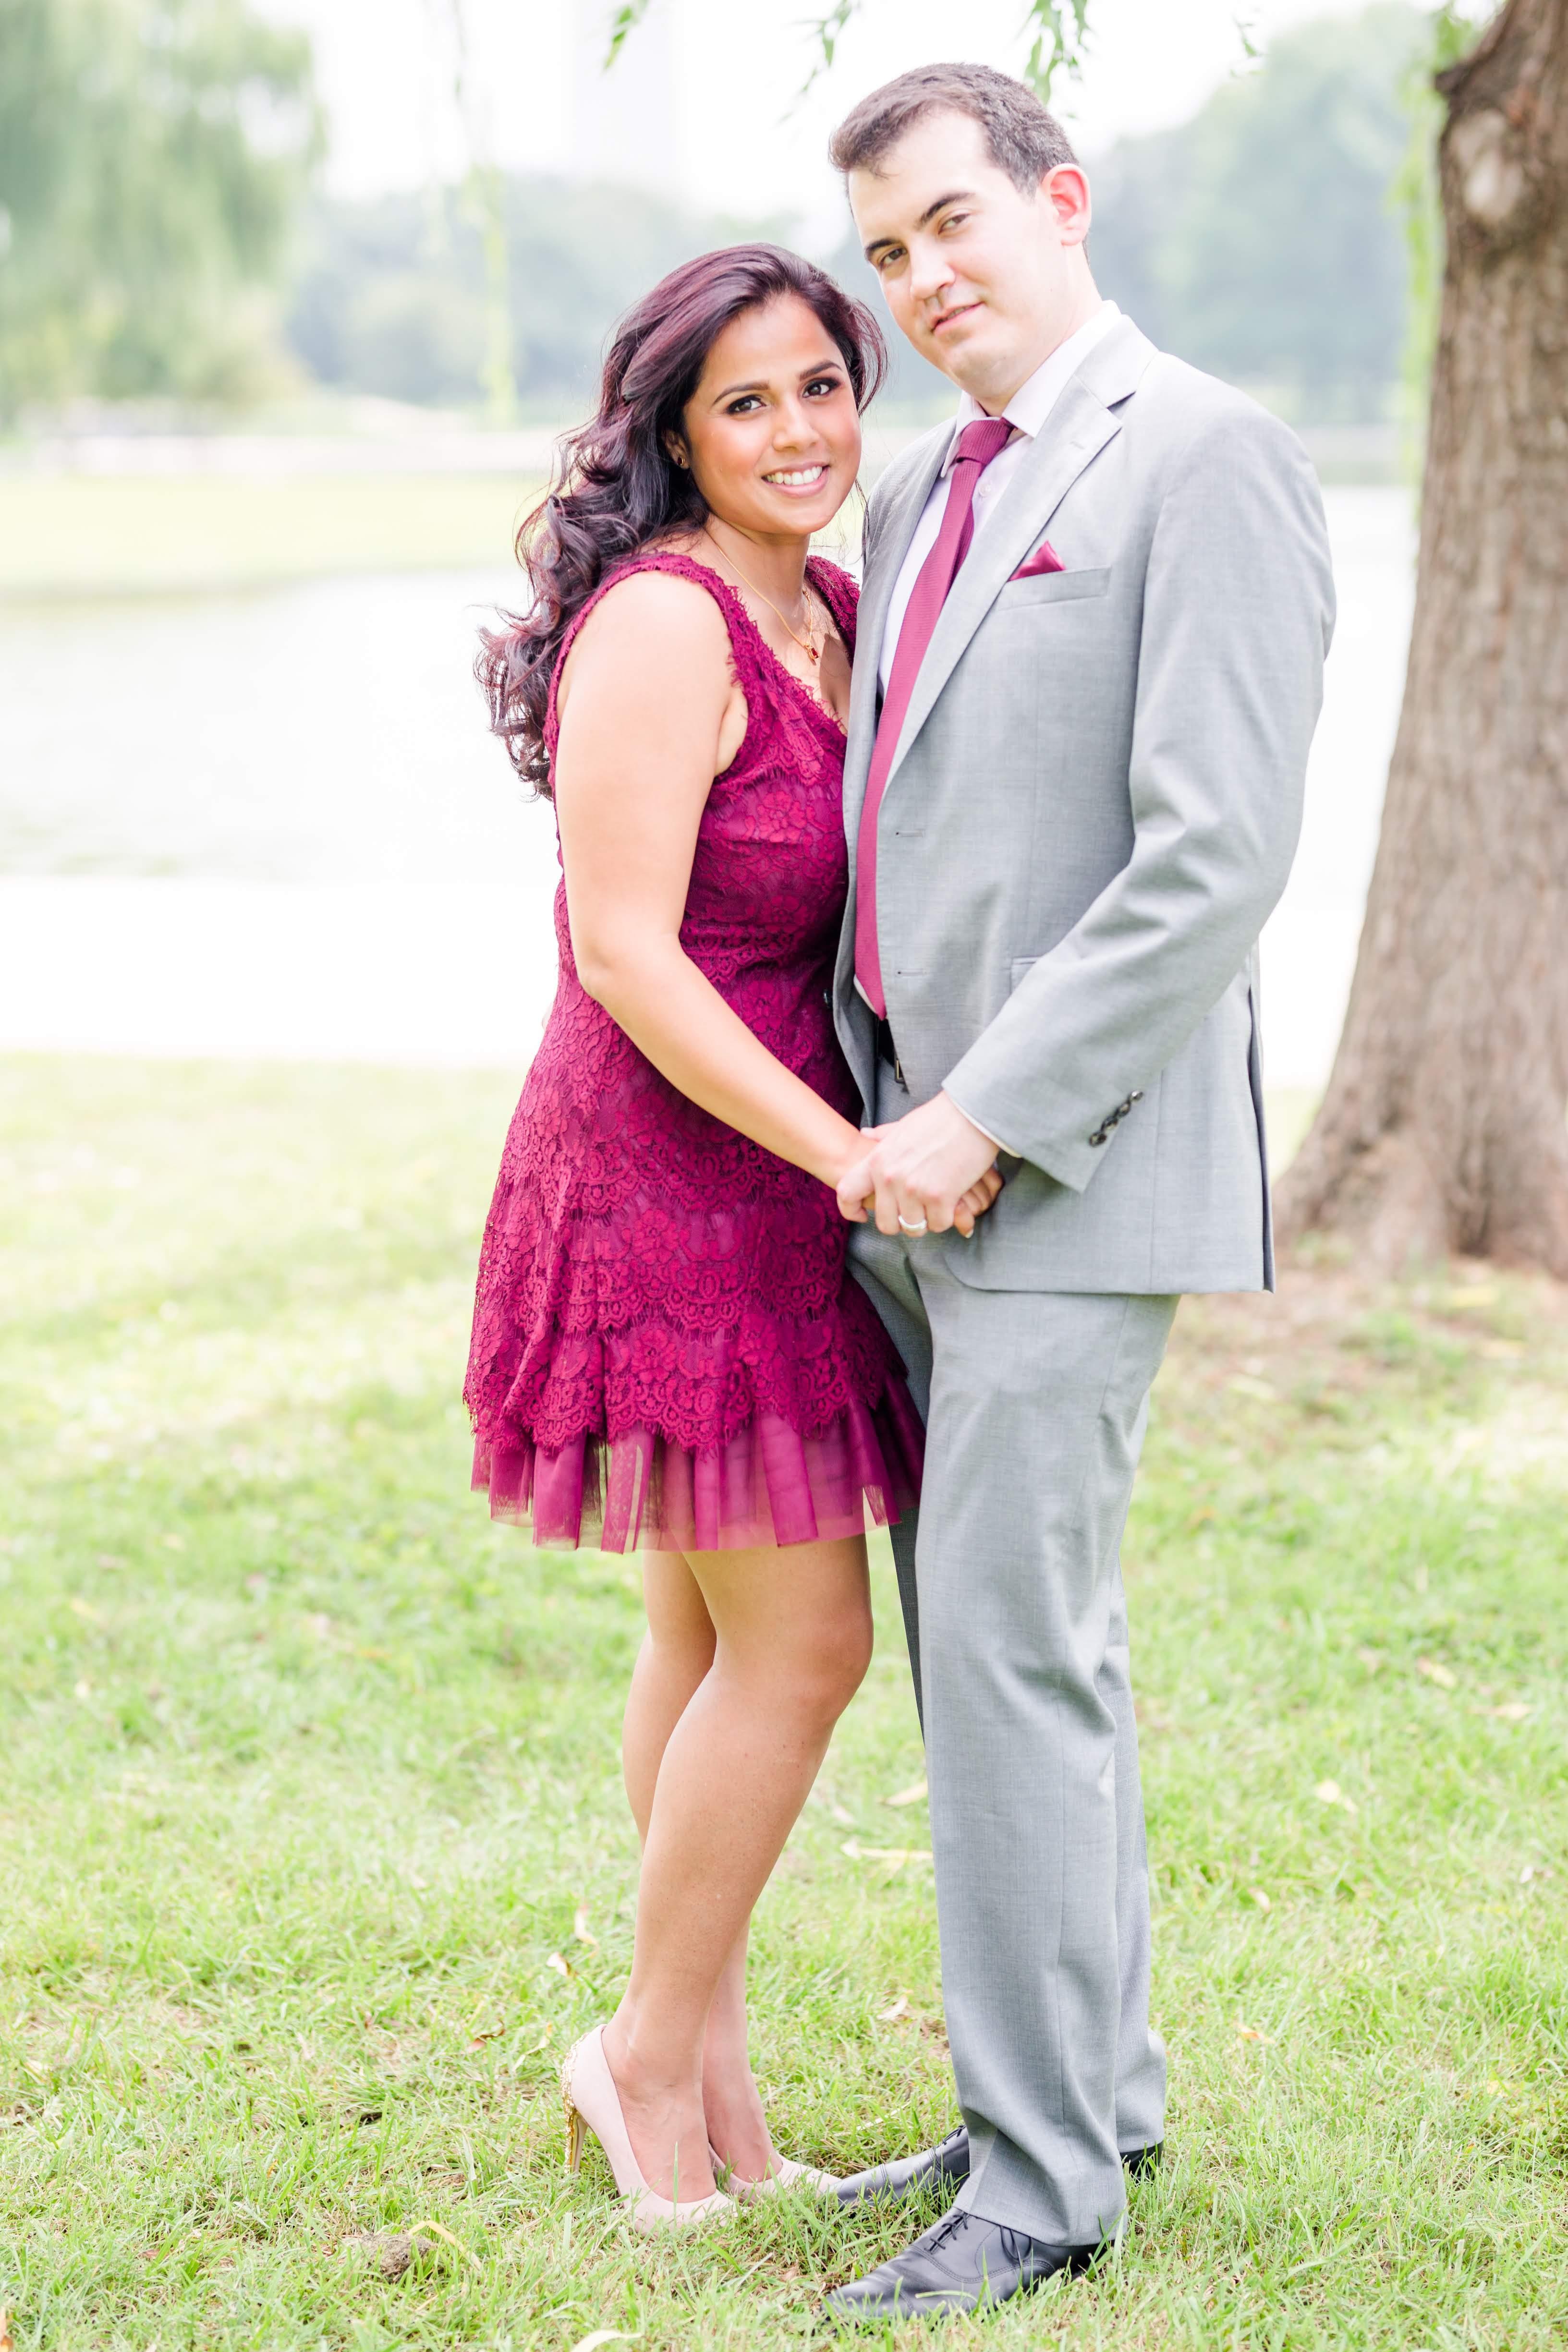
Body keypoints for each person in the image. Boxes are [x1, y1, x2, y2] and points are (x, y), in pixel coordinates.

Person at [816, 65, 1336, 2322]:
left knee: (1012, 1656)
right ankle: (1079, 2094)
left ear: (1059, 199)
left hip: (1059, 1162)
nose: (923, 279)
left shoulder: (1202, 453)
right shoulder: (923, 484)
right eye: (886, 253)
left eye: (952, 223)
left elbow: (1211, 853)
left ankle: (1035, 2188)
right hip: (902, 1172)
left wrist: (990, 1113)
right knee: (1013, 1659)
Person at [464, 245, 1000, 2233]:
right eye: (745, 402)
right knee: (808, 1638)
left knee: (702, 1633)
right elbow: (623, 951)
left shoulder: (833, 609)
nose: (796, 433)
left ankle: (709, 2085)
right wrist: (850, 1152)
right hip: (662, 1170)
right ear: (677, 438)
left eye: (821, 388)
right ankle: (641, 2054)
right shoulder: (662, 621)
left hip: (777, 1162)